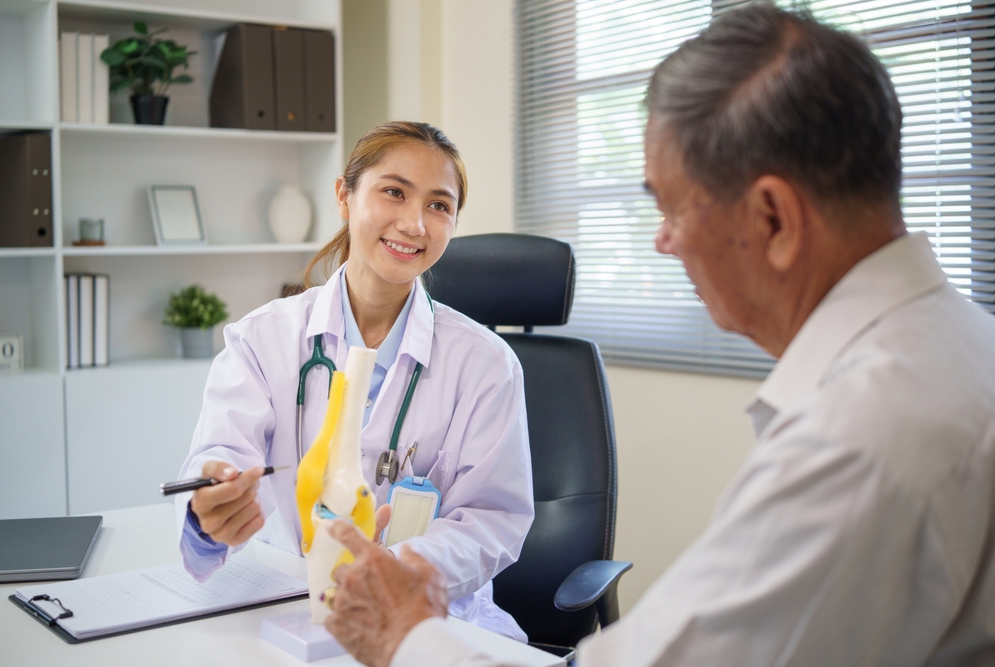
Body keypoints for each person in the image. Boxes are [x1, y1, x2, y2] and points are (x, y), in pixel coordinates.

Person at [319, 3, 995, 666]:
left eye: (670, 205)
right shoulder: (956, 345)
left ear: (773, 219)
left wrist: (407, 635)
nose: (662, 239)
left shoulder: (862, 433)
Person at [174, 121, 534, 641]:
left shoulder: (485, 364)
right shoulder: (260, 339)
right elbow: (221, 456)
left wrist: (397, 570)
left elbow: (492, 519)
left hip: (426, 625)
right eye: (393, 192)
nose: (414, 223)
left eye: (439, 205)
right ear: (345, 196)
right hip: (291, 613)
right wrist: (211, 515)